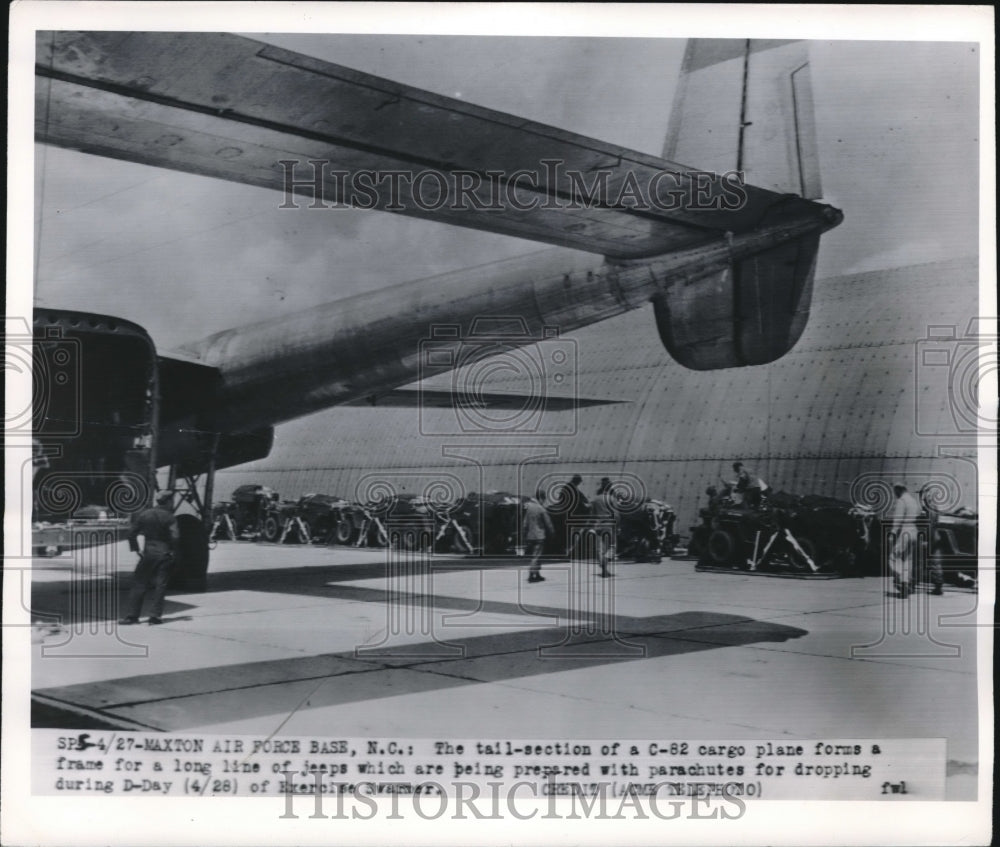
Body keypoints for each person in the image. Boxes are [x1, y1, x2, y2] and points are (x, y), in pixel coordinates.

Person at [120, 491, 179, 625]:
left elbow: (131, 533)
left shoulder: (145, 514)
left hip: (147, 554)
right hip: (164, 554)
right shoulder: (170, 517)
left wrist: (136, 549)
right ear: (169, 501)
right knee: (160, 585)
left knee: (139, 584)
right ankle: (154, 617)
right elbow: (175, 536)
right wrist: (173, 552)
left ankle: (132, 616)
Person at [889, 483, 922, 598]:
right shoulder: (913, 501)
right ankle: (906, 582)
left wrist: (893, 532)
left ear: (899, 490)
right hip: (914, 530)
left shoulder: (901, 501)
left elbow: (898, 518)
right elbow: (918, 515)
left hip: (905, 530)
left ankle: (900, 580)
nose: (895, 494)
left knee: (894, 557)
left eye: (895, 492)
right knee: (908, 559)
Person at [523, 490, 555, 583]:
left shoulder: (529, 509)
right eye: (544, 499)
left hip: (530, 536)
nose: (544, 501)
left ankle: (537, 574)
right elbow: (548, 523)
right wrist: (552, 533)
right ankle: (531, 574)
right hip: (539, 536)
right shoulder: (541, 509)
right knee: (537, 556)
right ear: (540, 498)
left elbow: (525, 523)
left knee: (536, 556)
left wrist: (524, 534)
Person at [590, 479, 616, 577]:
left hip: (598, 526)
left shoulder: (595, 499)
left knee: (599, 548)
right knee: (612, 547)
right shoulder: (611, 499)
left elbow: (592, 515)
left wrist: (592, 526)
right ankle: (605, 560)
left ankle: (604, 568)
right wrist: (618, 526)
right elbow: (616, 514)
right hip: (609, 525)